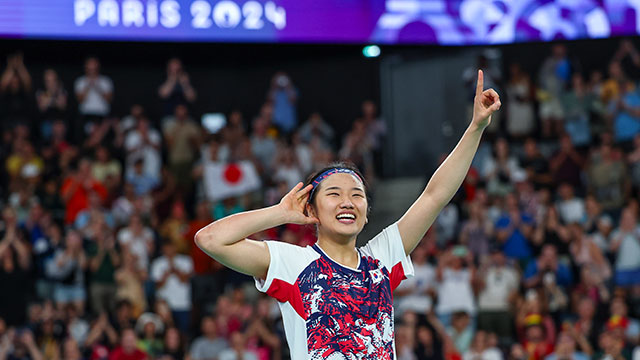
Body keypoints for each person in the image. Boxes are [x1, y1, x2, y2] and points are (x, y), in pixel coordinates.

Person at [194, 70, 501, 358]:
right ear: (311, 209)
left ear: (367, 212)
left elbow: (435, 196)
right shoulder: (293, 263)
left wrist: (475, 128)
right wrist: (278, 213)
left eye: (357, 195)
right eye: (334, 194)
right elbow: (210, 239)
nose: (347, 202)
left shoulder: (381, 258)